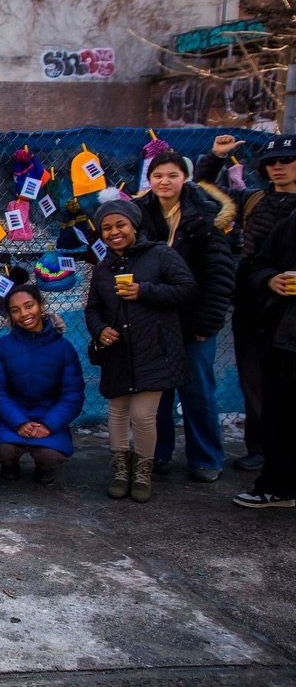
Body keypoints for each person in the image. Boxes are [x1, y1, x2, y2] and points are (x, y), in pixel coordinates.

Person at [193, 133, 296, 472]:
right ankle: (261, 448)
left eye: (285, 160)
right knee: (255, 380)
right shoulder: (252, 201)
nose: (277, 167)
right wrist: (216, 157)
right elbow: (204, 189)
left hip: (291, 313)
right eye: (270, 162)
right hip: (255, 306)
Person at [84, 199, 198, 503]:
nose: (114, 232)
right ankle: (121, 472)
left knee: (143, 415)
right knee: (117, 412)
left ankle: (142, 473)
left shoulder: (160, 255)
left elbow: (187, 288)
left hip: (154, 349)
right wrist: (100, 330)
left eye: (120, 225)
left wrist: (144, 291)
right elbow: (93, 308)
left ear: (134, 225)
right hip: (118, 351)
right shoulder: (103, 268)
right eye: (106, 228)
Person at [134, 150, 235, 481]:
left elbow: (218, 276)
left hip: (193, 320)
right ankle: (158, 453)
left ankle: (206, 457)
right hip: (154, 318)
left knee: (198, 390)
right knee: (156, 391)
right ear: (149, 180)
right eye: (158, 175)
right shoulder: (139, 215)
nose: (165, 181)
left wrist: (207, 324)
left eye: (172, 175)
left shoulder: (205, 217)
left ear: (185, 178)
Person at [0, 276, 85, 485]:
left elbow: (72, 394)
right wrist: (19, 422)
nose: (24, 314)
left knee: (52, 454)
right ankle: (9, 465)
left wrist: (49, 424)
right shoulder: (3, 347)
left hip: (48, 416)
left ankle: (44, 468)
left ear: (41, 306)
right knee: (2, 448)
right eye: (15, 310)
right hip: (12, 418)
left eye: (28, 306)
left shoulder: (63, 348)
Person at [234, 211, 296, 508]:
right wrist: (271, 280)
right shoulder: (287, 225)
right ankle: (279, 487)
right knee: (278, 416)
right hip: (284, 337)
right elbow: (257, 267)